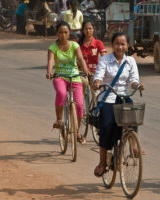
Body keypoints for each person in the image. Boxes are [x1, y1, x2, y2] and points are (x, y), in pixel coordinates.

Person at [92, 32, 144, 177]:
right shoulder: (105, 60)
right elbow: (99, 75)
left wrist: (137, 85)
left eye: (123, 44)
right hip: (107, 97)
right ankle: (102, 162)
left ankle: (133, 146)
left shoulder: (130, 61)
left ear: (127, 46)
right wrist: (97, 82)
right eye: (117, 44)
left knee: (133, 117)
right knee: (107, 127)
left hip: (123, 97)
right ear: (112, 45)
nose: (120, 47)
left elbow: (133, 80)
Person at [46, 21, 89, 144]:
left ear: (69, 33)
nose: (63, 35)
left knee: (80, 105)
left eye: (66, 32)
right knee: (61, 93)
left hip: (75, 77)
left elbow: (80, 59)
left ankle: (76, 131)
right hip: (60, 76)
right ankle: (59, 120)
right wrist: (49, 72)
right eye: (61, 32)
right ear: (57, 33)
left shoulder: (75, 45)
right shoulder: (52, 48)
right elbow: (50, 61)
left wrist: (85, 71)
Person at [79, 20, 107, 99]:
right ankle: (80, 104)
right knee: (83, 84)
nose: (88, 31)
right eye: (86, 29)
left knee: (97, 94)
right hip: (81, 71)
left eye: (90, 28)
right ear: (83, 30)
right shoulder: (78, 44)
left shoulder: (98, 43)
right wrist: (85, 69)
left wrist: (105, 68)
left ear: (93, 29)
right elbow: (76, 59)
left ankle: (95, 109)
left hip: (94, 71)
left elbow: (104, 57)